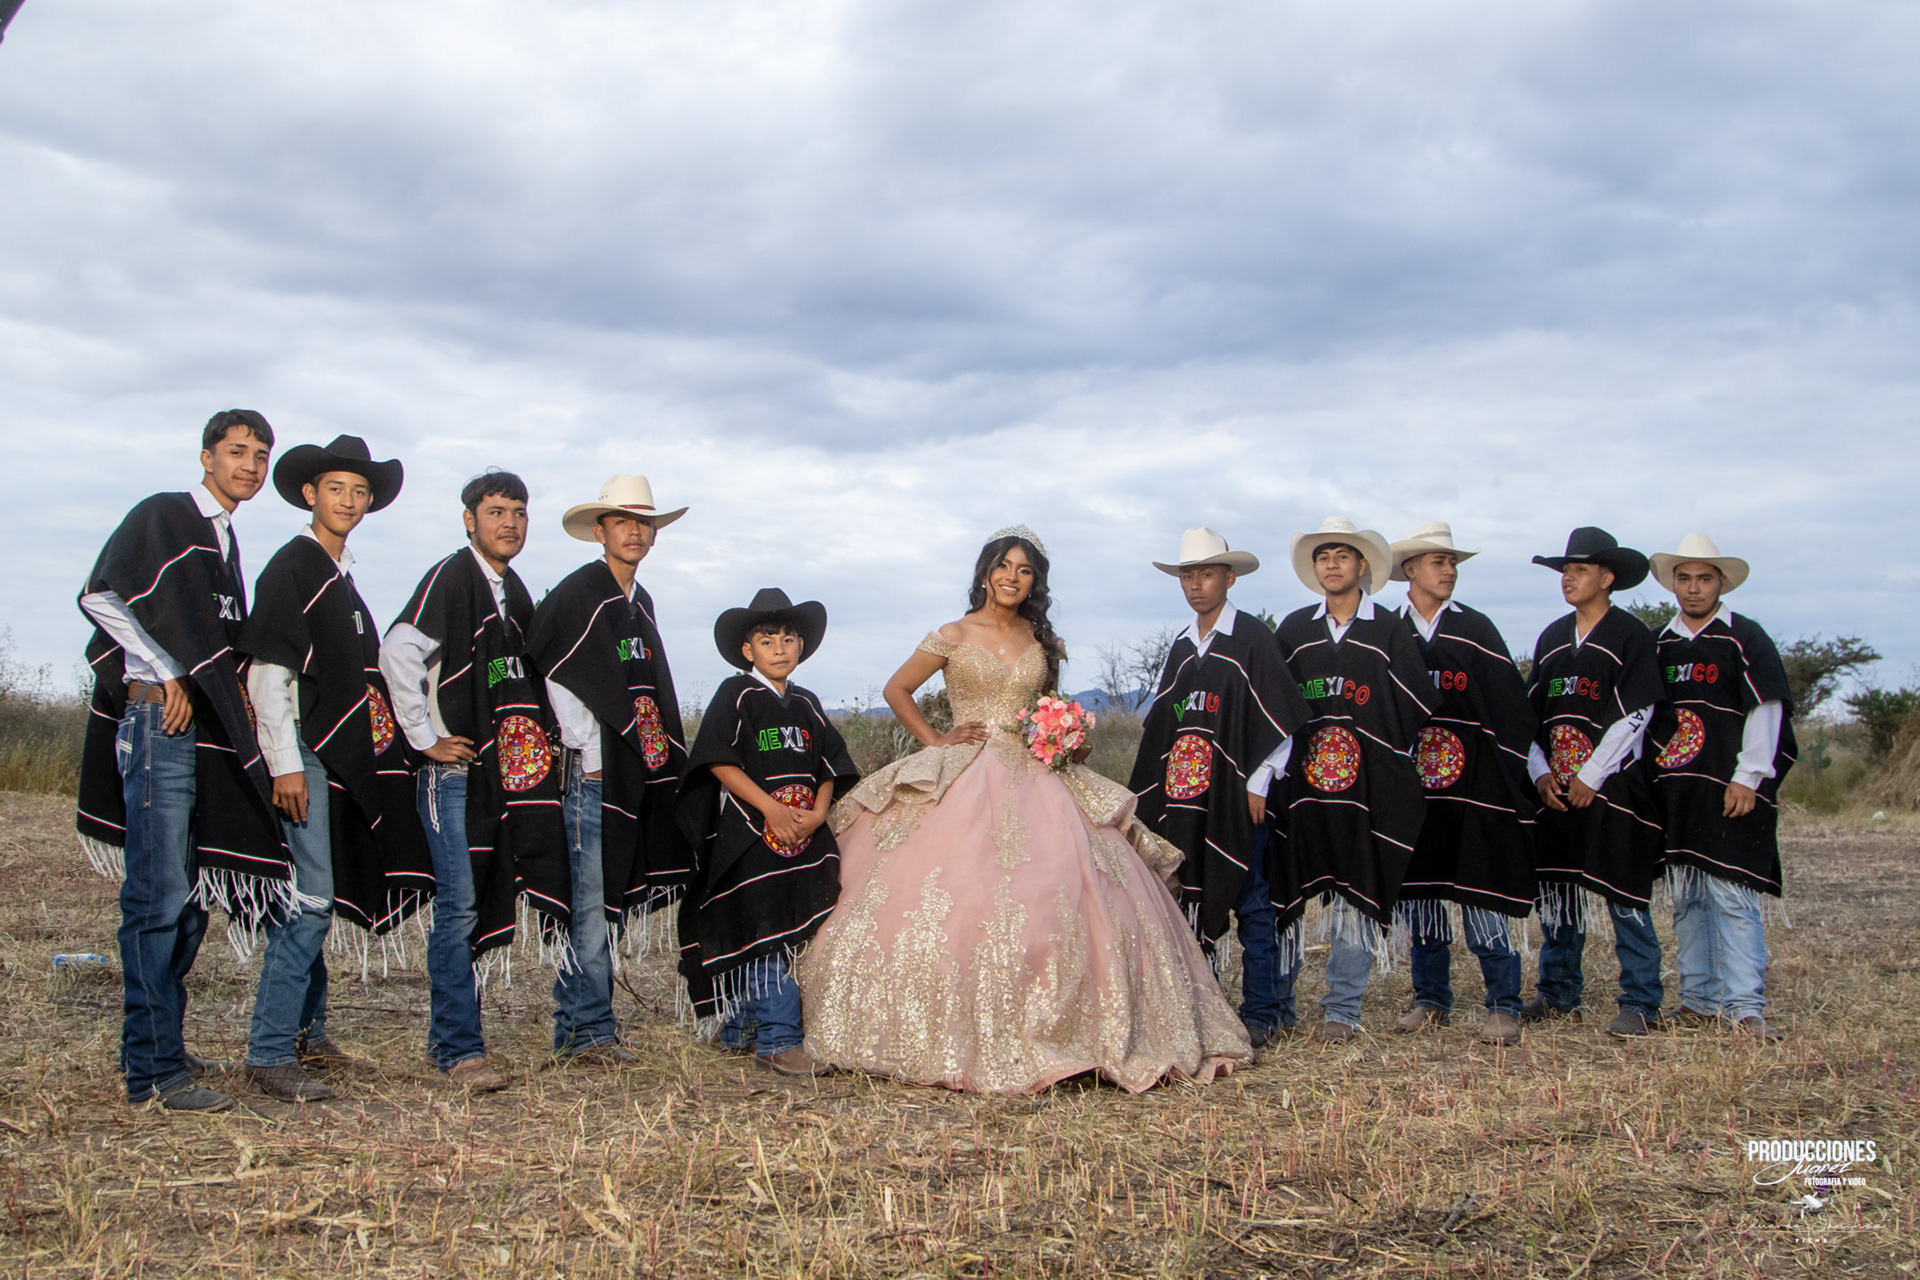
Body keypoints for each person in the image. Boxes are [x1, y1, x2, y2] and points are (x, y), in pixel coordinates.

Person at [798, 526, 1250, 1092]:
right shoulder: (952, 633)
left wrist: (1068, 740)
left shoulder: (1042, 639)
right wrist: (936, 740)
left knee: (1062, 887)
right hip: (968, 767)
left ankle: (1077, 1027)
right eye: (1003, 566)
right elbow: (896, 690)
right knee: (953, 893)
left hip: (1039, 774)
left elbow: (1047, 706)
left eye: (1025, 570)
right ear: (985, 572)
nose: (1012, 577)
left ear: (1035, 582)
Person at [75, 410, 284, 1111]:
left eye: (260, 455)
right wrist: (167, 670)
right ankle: (153, 1071)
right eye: (236, 451)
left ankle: (162, 1043)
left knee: (191, 900)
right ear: (206, 457)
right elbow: (100, 593)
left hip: (201, 733)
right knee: (158, 897)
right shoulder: (166, 515)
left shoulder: (225, 542)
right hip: (157, 722)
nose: (249, 465)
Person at [236, 435, 432, 1102]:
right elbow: (269, 670)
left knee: (313, 892)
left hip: (324, 756)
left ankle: (307, 1034)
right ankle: (268, 1052)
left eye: (360, 491)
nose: (348, 501)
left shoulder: (337, 575)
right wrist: (285, 763)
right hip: (301, 753)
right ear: (309, 494)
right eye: (336, 489)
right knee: (311, 898)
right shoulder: (294, 566)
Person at [380, 471, 570, 1092]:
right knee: (458, 905)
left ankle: (450, 1040)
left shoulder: (513, 591)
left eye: (519, 512)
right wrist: (424, 736)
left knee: (482, 894)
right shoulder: (453, 576)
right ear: (469, 520)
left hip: (497, 779)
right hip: (453, 774)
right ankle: (460, 1051)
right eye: (496, 512)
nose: (509, 523)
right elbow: (398, 651)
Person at [526, 475, 695, 1065]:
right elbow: (554, 671)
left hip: (629, 774)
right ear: (599, 531)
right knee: (591, 902)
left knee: (607, 897)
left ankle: (582, 1025)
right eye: (622, 522)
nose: (635, 532)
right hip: (592, 774)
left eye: (644, 523)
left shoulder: (638, 603)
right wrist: (590, 751)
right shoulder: (581, 593)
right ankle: (588, 1031)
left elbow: (648, 689)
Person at [1127, 528, 1307, 1049]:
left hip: (1237, 795)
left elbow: (1279, 717)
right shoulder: (1183, 646)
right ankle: (1203, 1009)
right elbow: (1165, 726)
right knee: (1190, 896)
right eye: (1188, 575)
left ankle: (1261, 1012)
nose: (1196, 585)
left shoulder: (1252, 638)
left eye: (1206, 574)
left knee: (1251, 901)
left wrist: (1260, 782)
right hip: (1188, 801)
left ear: (1229, 578)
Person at [1266, 517, 1440, 1042]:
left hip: (1368, 787)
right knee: (1287, 891)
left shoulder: (1388, 629)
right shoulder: (1294, 631)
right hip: (1303, 788)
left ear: (1362, 565)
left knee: (1357, 889)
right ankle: (1278, 1006)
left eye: (1342, 555)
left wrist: (1380, 759)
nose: (1332, 564)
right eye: (1323, 557)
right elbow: (1273, 705)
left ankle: (1342, 1008)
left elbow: (1415, 704)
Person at [677, 589, 860, 1076]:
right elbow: (717, 758)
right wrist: (770, 809)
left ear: (801, 646)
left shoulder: (807, 703)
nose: (779, 648)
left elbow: (830, 765)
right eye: (766, 640)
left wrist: (818, 813)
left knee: (786, 924)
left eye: (788, 639)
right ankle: (780, 1040)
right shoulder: (737, 694)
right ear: (747, 650)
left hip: (804, 838)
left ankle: (742, 1029)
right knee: (764, 929)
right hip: (751, 835)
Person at [1387, 523, 1538, 1047]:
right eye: (1438, 561)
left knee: (1481, 889)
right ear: (1410, 569)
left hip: (1474, 787)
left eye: (1452, 562)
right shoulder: (1390, 632)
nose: (1449, 570)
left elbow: (1510, 707)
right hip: (1414, 789)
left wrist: (1510, 773)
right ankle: (1431, 998)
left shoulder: (1475, 629)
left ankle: (1503, 1003)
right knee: (1422, 893)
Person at [1521, 527, 1669, 1037]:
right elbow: (1530, 716)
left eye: (1579, 570)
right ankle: (1558, 992)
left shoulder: (1630, 635)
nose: (1568, 578)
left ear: (1607, 578)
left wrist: (1591, 775)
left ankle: (1641, 1001)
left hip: (1614, 784)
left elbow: (1637, 712)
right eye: (1565, 570)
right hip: (1557, 792)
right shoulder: (1552, 638)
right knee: (1559, 892)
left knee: (1623, 892)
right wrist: (1541, 774)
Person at [1647, 534, 1795, 1040]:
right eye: (1684, 578)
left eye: (1704, 578)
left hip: (1730, 788)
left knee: (1733, 895)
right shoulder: (1660, 643)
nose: (1693, 588)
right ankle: (1698, 1000)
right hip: (1678, 791)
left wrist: (1748, 776)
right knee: (1688, 898)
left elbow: (1766, 707)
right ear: (1672, 584)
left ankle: (1746, 1008)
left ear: (1722, 583)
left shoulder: (1744, 637)